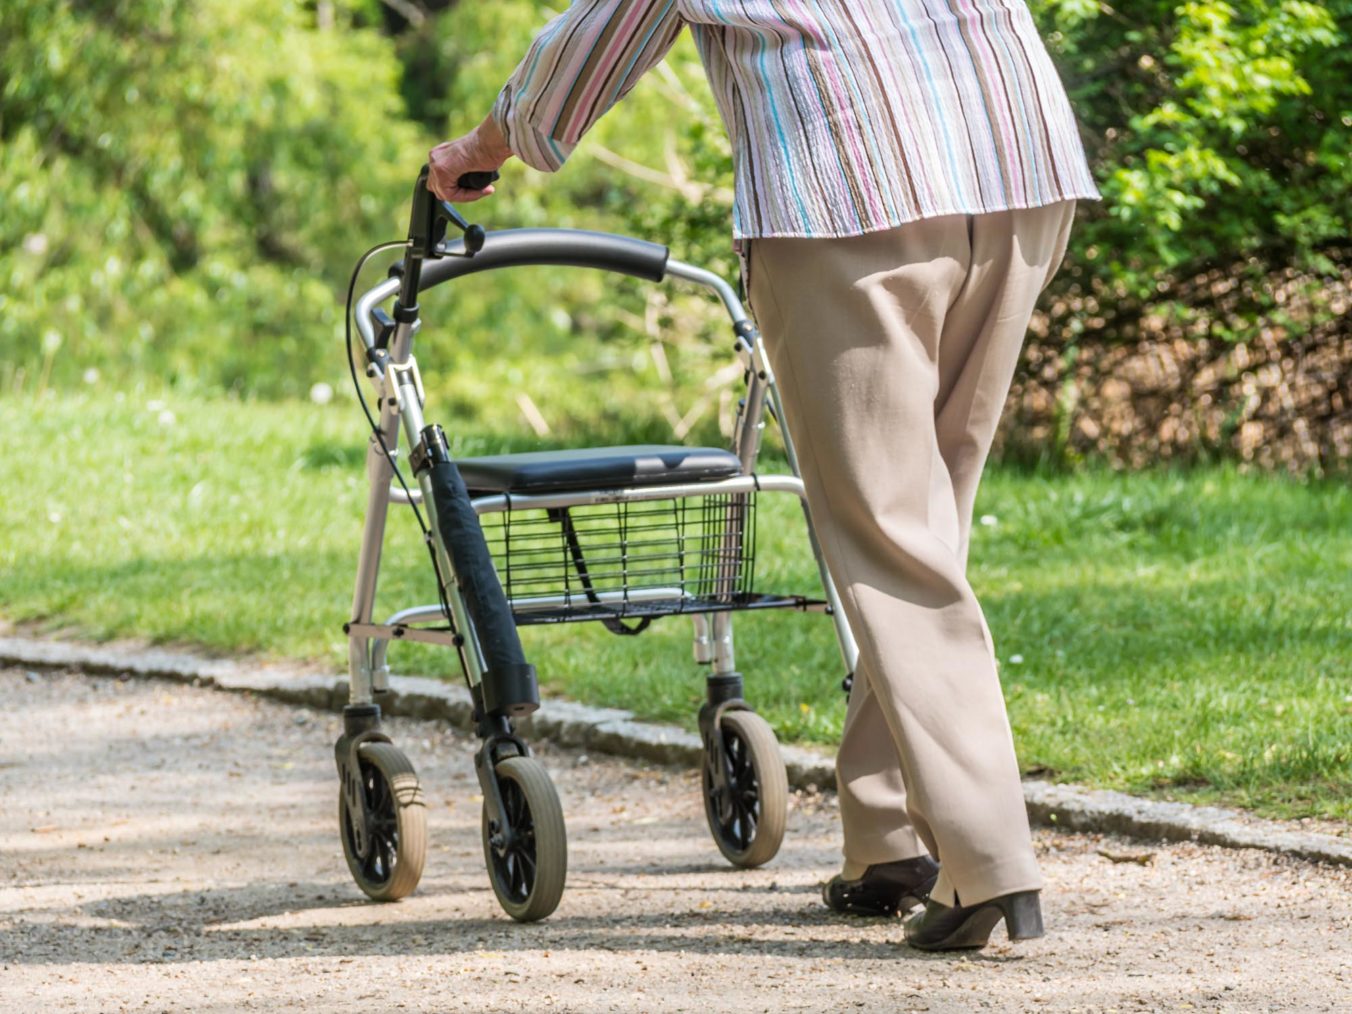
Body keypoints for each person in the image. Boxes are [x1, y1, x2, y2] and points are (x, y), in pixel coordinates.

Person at [428, 0, 1099, 952]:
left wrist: (486, 142)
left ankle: (987, 862)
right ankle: (890, 838)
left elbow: (594, 43)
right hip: (1015, 155)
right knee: (928, 519)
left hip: (853, 184)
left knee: (886, 533)